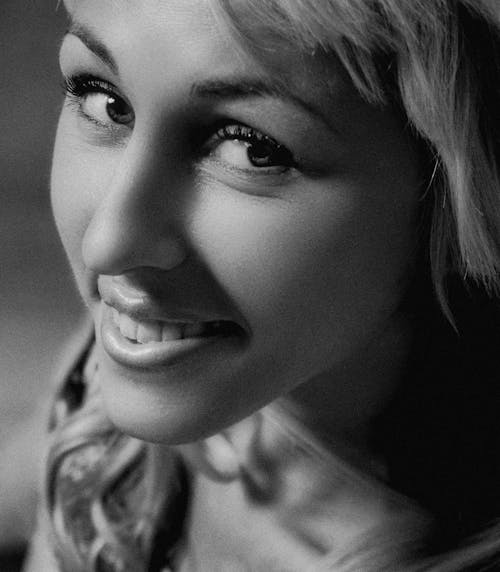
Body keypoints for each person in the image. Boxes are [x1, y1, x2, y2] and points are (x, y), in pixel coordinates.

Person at [25, 0, 500, 570]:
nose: (109, 243)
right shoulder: (120, 361)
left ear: (465, 192)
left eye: (252, 148)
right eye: (104, 100)